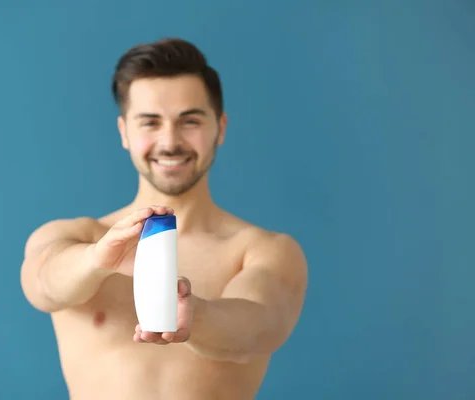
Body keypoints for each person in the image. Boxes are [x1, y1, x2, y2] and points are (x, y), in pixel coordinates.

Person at [20, 37, 308, 400]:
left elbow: (257, 328)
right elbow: (43, 282)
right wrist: (97, 259)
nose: (170, 141)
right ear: (124, 132)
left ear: (220, 127)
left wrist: (194, 315)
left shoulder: (265, 251)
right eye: (150, 122)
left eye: (190, 121)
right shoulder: (77, 237)